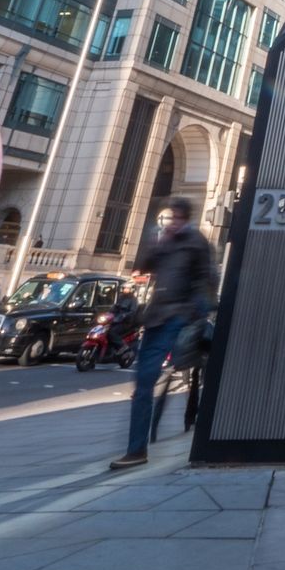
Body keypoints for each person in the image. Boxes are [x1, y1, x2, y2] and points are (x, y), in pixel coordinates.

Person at [112, 198, 217, 469]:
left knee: (184, 375)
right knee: (144, 384)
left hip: (179, 318)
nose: (174, 222)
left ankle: (192, 420)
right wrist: (157, 243)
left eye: (178, 217)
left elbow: (208, 281)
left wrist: (195, 313)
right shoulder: (166, 241)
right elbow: (143, 266)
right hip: (157, 317)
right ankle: (136, 449)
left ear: (187, 217)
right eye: (171, 217)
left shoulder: (196, 242)